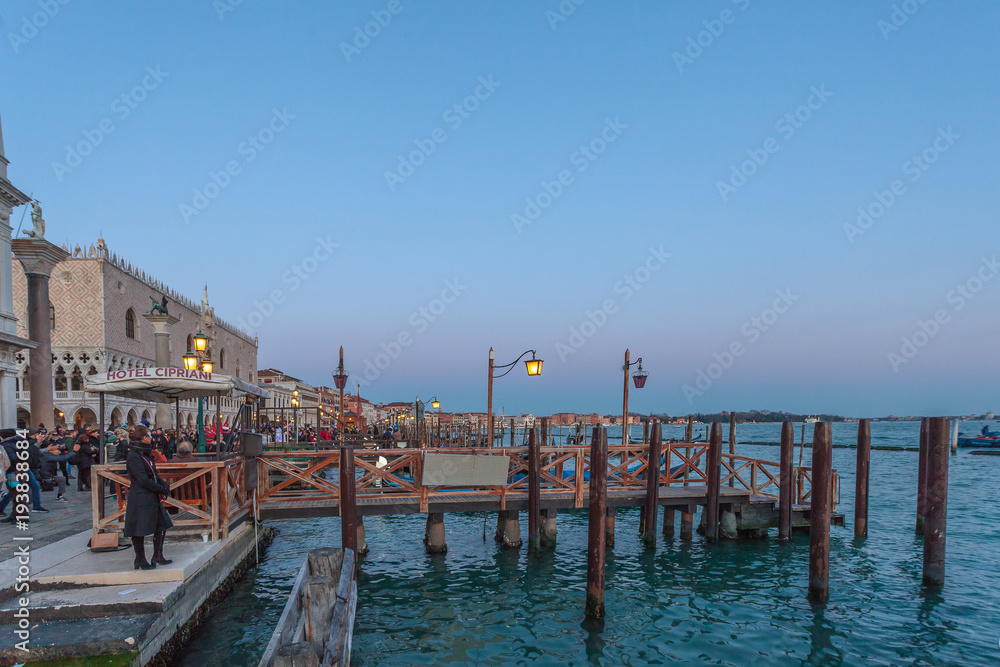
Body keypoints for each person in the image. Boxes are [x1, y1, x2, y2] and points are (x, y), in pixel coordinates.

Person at [124, 425, 173, 570]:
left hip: (152, 495)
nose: (150, 438)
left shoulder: (146, 454)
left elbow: (153, 474)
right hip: (140, 496)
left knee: (162, 524)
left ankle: (158, 555)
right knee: (138, 527)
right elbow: (142, 479)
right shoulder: (133, 456)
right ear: (143, 438)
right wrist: (159, 487)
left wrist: (163, 485)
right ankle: (140, 559)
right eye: (148, 436)